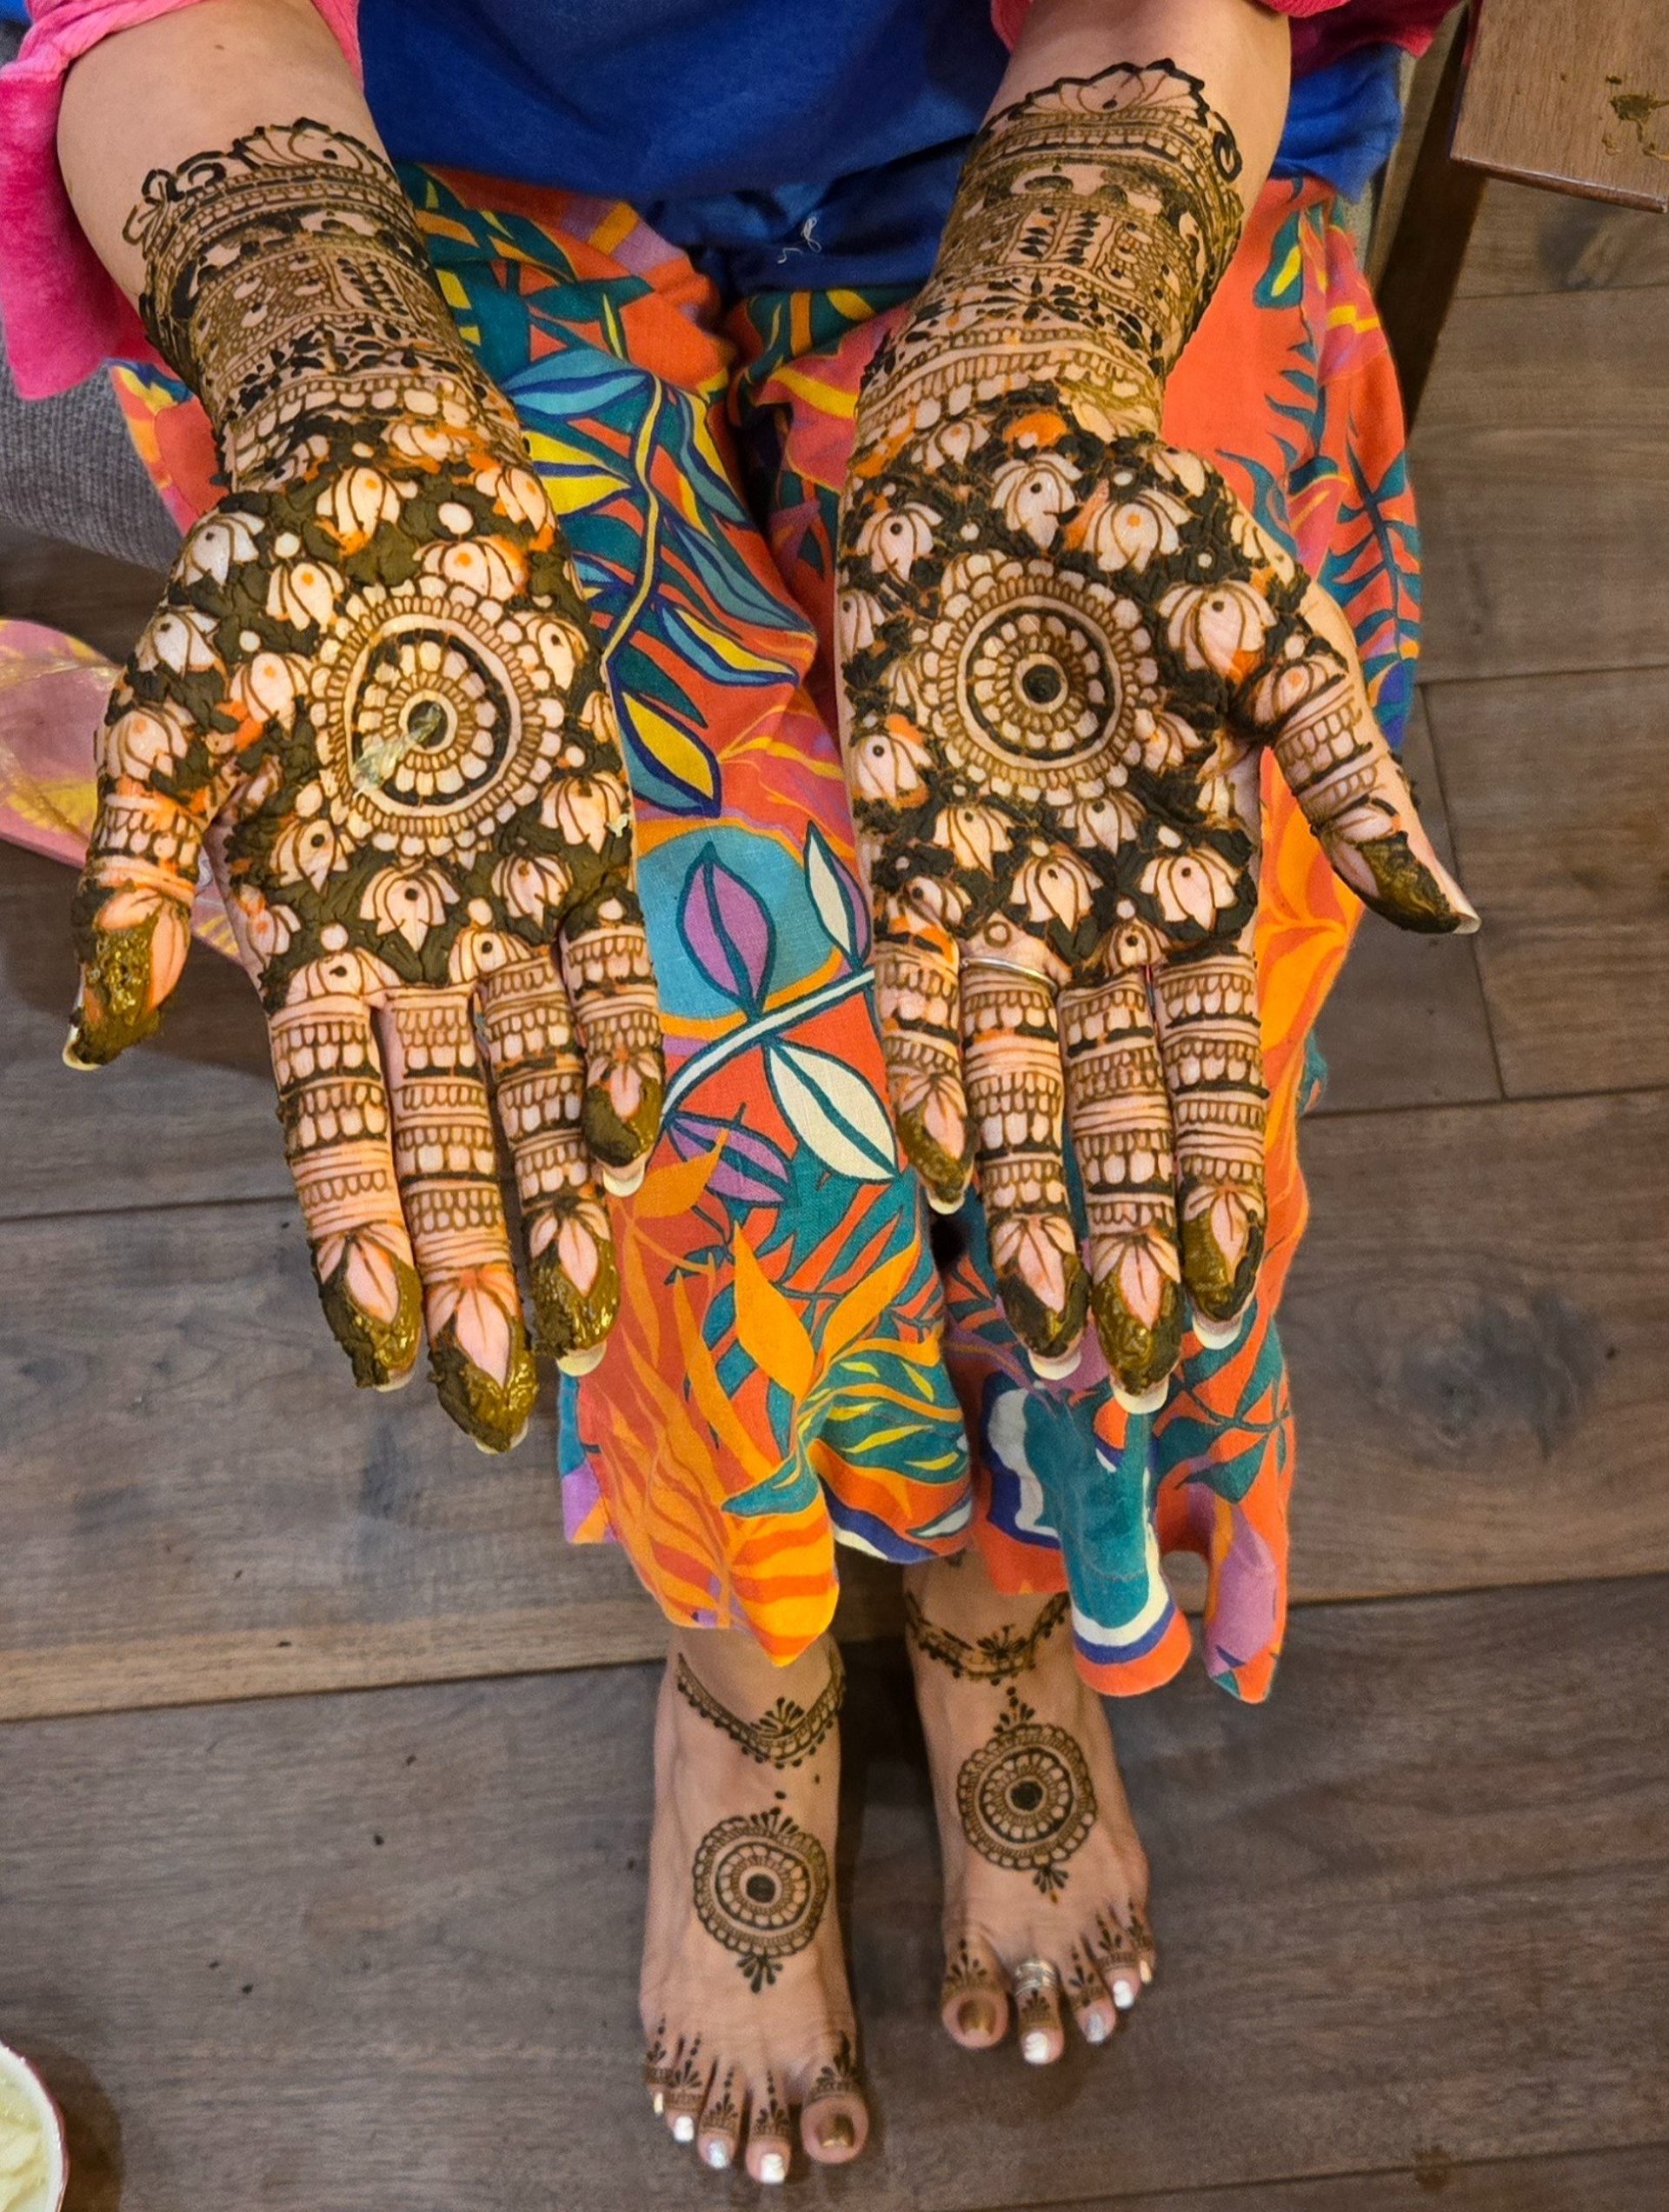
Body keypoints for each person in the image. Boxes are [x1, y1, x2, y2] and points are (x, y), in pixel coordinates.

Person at [0, 0, 1473, 2184]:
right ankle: (748, 1654)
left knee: (1163, 930)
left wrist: (1048, 325)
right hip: (387, 182)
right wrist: (333, 371)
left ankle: (1007, 1566)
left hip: (1089, 121)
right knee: (680, 1032)